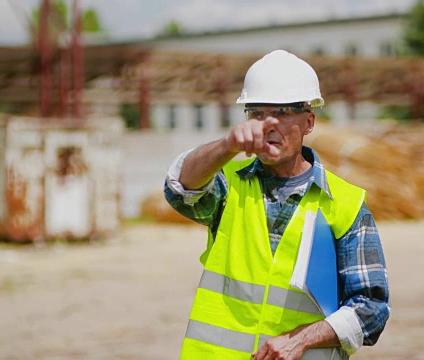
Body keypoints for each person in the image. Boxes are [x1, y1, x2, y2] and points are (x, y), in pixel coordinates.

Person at [164, 50, 390, 360]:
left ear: (308, 121)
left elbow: (371, 309)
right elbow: (180, 190)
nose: (267, 125)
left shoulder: (345, 204)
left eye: (282, 112)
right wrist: (226, 146)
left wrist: (300, 340)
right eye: (257, 113)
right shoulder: (230, 185)